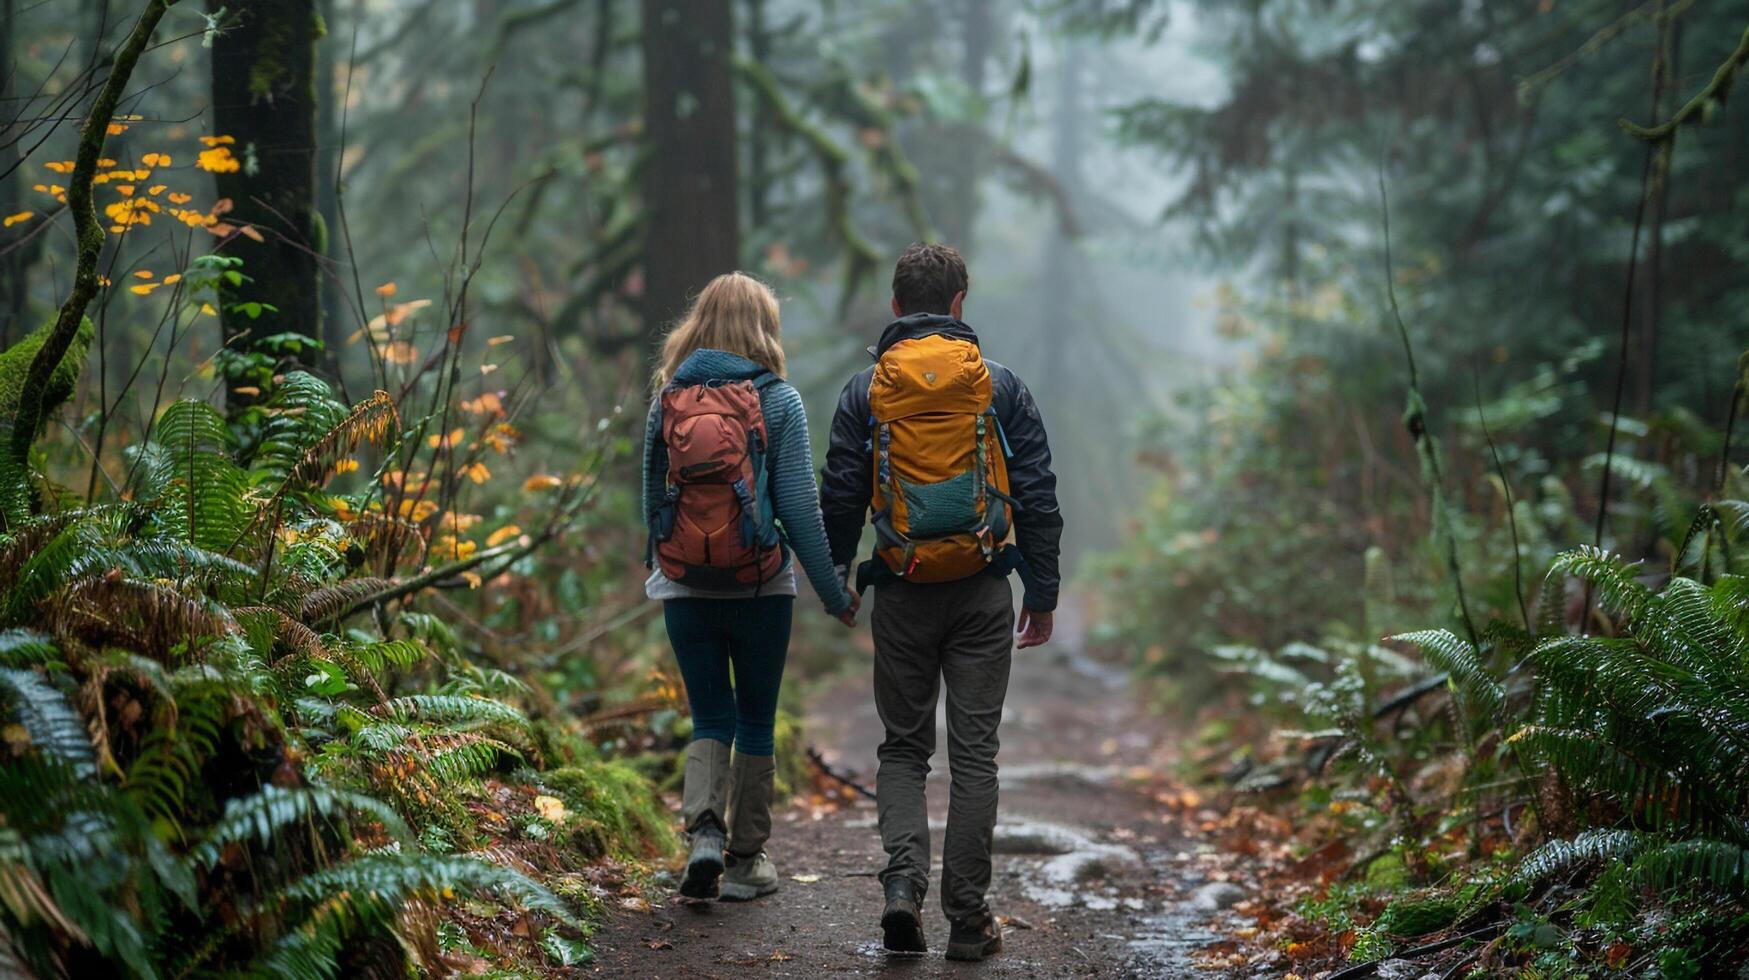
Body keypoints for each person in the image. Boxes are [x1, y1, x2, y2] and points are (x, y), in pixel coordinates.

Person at [820, 243, 1062, 960]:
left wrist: (838, 577)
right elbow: (1038, 493)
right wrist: (1041, 592)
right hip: (982, 589)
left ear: (896, 307)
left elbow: (839, 492)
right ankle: (966, 917)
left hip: (899, 590)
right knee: (974, 756)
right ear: (960, 303)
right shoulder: (999, 385)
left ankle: (901, 889)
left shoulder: (865, 390)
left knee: (901, 748)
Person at [642, 271, 859, 903]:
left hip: (684, 587)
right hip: (763, 587)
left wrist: (667, 565)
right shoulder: (779, 399)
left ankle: (704, 835)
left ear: (699, 322)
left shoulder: (667, 398)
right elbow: (797, 508)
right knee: (756, 719)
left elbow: (653, 500)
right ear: (763, 326)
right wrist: (833, 591)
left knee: (709, 713)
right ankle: (745, 861)